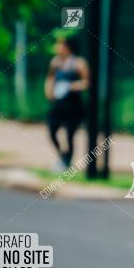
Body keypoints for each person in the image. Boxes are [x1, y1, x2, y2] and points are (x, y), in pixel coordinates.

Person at [44, 36, 89, 170]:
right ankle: (62, 156)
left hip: (73, 105)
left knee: (69, 134)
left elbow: (87, 82)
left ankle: (67, 161)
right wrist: (49, 92)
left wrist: (71, 86)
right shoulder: (55, 62)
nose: (57, 47)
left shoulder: (79, 63)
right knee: (52, 130)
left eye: (60, 45)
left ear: (67, 47)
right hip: (58, 104)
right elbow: (50, 78)